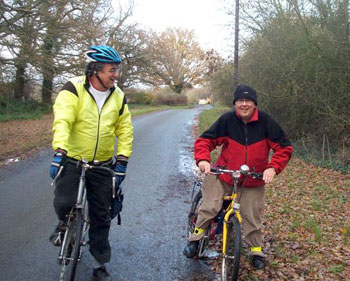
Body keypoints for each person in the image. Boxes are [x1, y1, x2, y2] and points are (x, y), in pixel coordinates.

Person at [183, 84, 293, 269]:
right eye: (240, 101)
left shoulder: (266, 121)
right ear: (235, 103)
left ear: (254, 104)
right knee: (210, 206)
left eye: (247, 101)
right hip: (224, 174)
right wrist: (203, 160)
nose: (244, 104)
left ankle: (256, 251)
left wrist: (273, 167)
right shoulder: (227, 119)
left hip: (252, 179)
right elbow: (205, 141)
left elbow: (284, 148)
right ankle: (195, 239)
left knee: (252, 214)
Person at [49, 45, 133, 281]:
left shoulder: (118, 95)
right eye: (111, 70)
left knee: (101, 215)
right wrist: (60, 150)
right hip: (73, 158)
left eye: (116, 70)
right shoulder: (73, 88)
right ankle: (64, 225)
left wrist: (122, 160)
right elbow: (63, 121)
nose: (115, 75)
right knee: (64, 200)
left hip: (103, 163)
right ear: (95, 70)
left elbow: (124, 129)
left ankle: (99, 263)